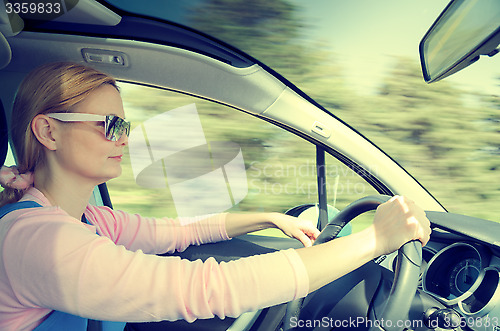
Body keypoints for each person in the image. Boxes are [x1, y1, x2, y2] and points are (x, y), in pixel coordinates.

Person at [0, 62, 431, 331]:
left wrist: (271, 219)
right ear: (48, 130)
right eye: (111, 125)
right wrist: (375, 240)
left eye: (126, 127)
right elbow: (205, 288)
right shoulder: (37, 239)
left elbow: (180, 231)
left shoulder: (91, 219)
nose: (124, 140)